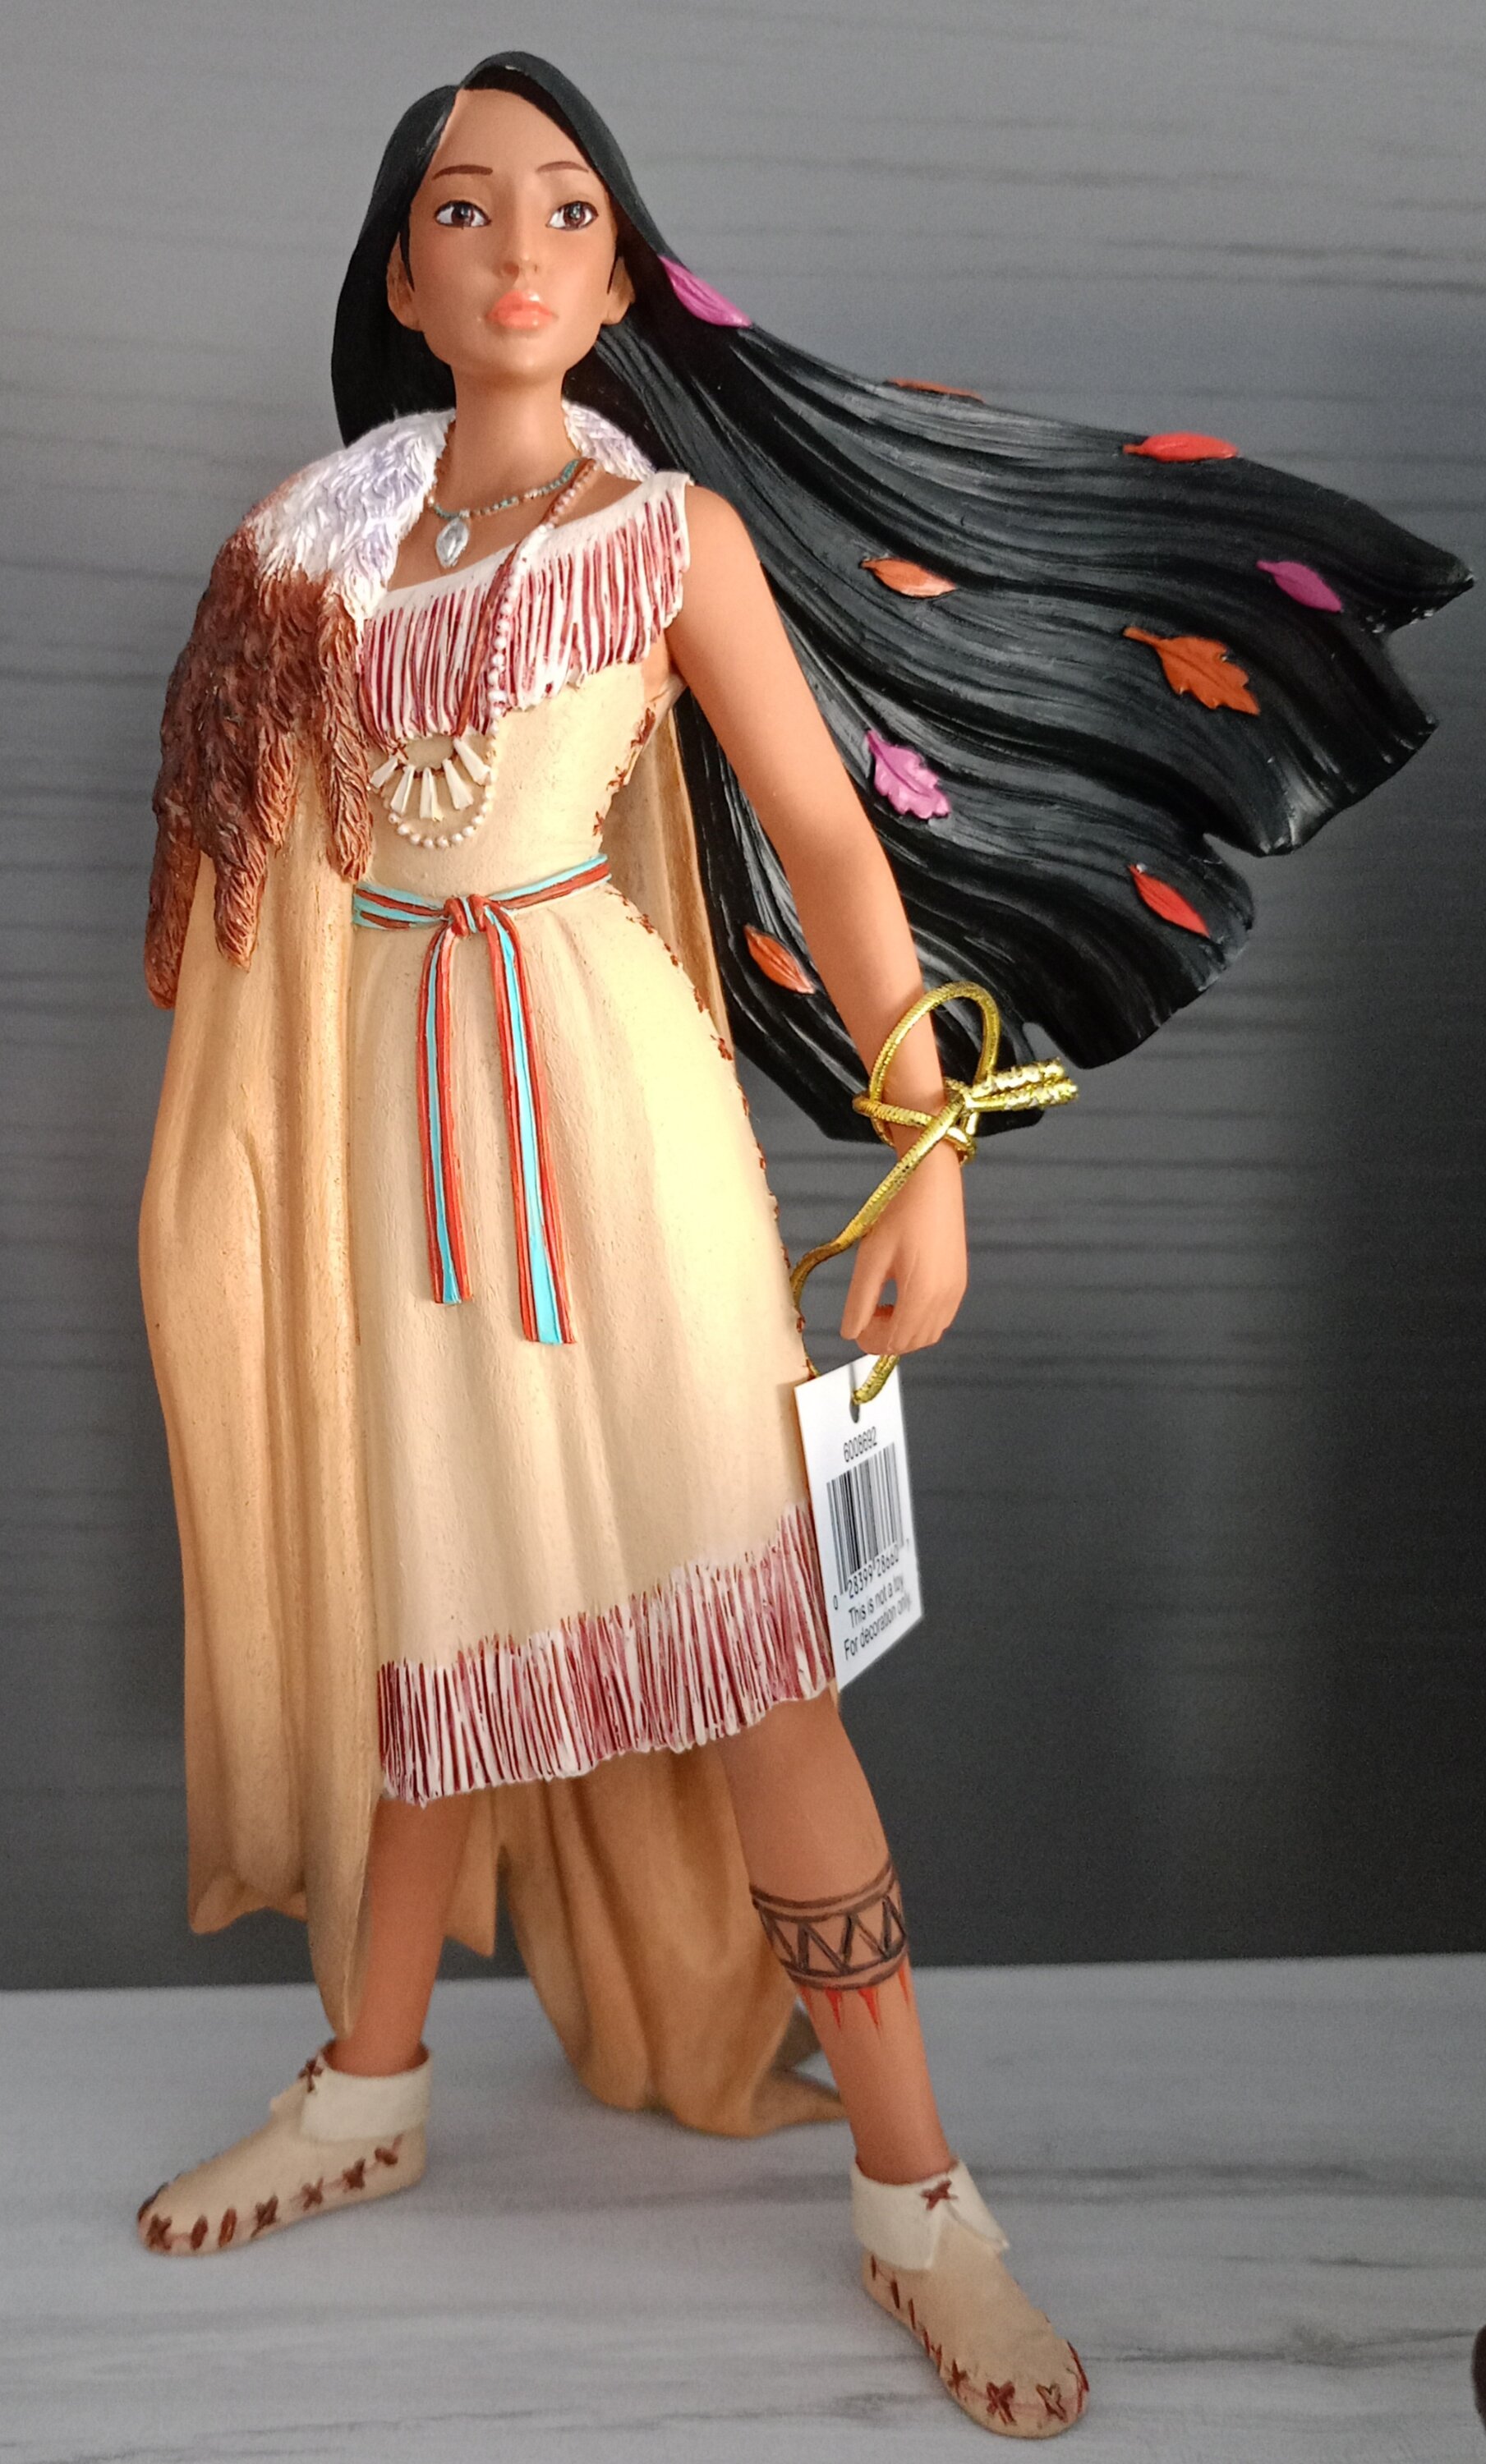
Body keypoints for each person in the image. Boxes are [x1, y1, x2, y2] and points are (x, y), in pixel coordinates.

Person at [132, 52, 1467, 2441]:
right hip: (394, 1136)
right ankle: (373, 2081)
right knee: (439, 1608)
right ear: (403, 275)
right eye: (466, 210)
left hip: (608, 1115)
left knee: (755, 1655)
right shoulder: (315, 553)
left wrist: (926, 1140)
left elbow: (833, 846)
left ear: (624, 271)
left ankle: (918, 2197)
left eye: (568, 210)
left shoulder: (666, 542)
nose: (519, 249)